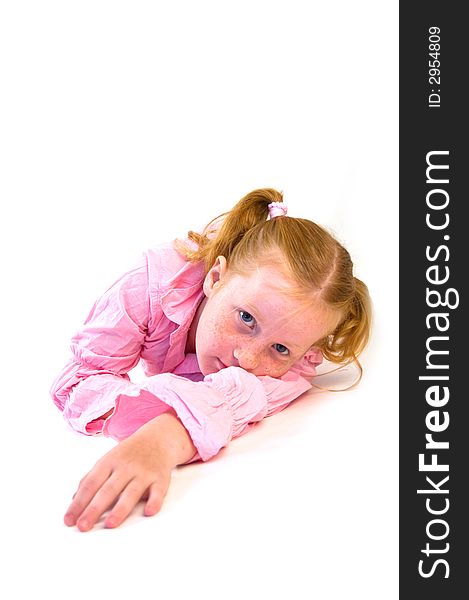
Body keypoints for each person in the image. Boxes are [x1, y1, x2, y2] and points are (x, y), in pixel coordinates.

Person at [50, 188, 372, 532]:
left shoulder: (298, 358)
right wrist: (163, 412)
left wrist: (167, 435)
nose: (247, 359)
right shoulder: (148, 286)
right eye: (246, 318)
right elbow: (78, 381)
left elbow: (248, 393)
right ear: (215, 278)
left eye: (279, 349)